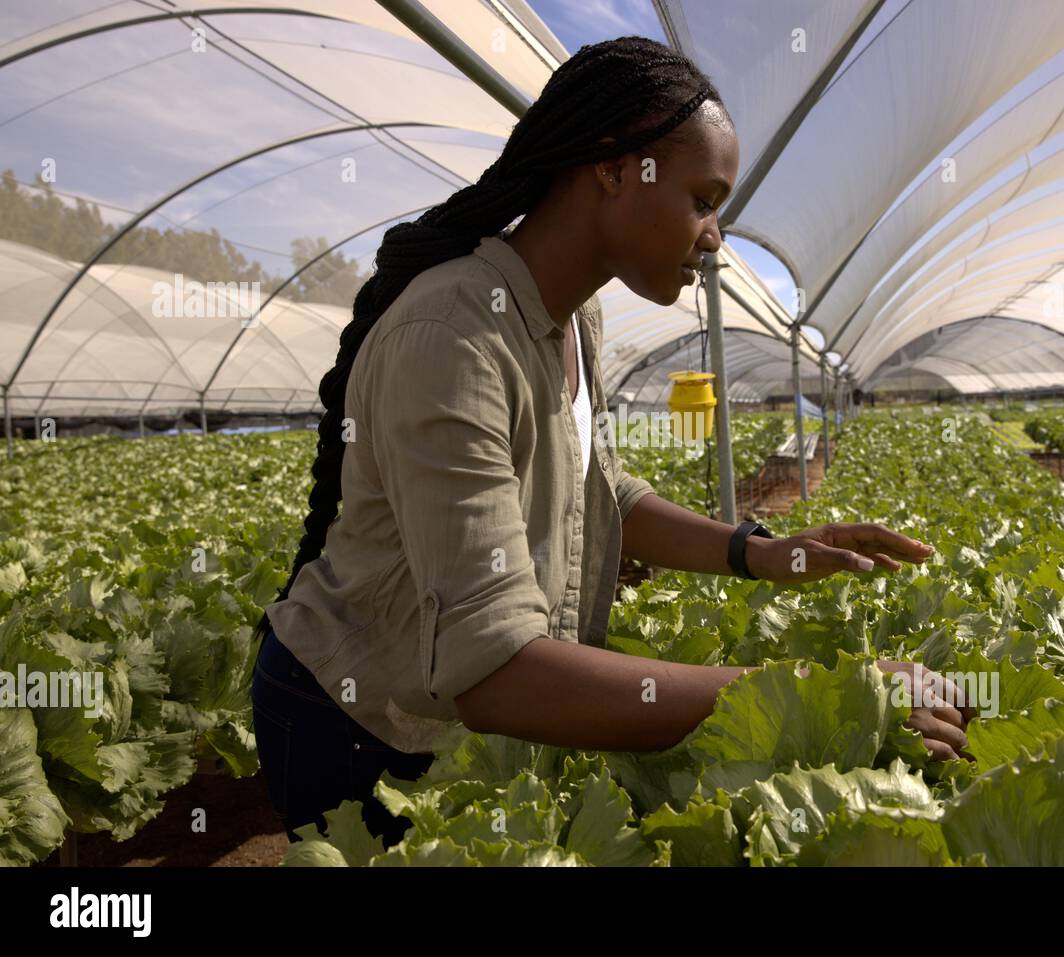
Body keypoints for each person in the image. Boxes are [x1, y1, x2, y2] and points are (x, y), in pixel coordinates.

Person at [250, 35, 970, 849]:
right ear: (614, 168)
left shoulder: (573, 318)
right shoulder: (451, 336)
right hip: (352, 724)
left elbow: (605, 491)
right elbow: (495, 670)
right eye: (704, 199)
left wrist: (766, 552)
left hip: (449, 716)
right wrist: (830, 693)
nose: (715, 236)